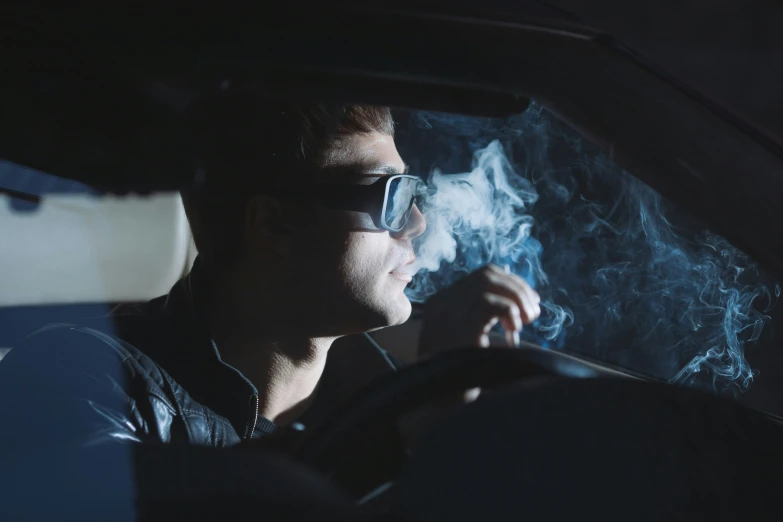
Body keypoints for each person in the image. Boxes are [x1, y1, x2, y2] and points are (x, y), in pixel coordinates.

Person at [0, 91, 540, 450]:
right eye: (391, 195)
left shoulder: (392, 411)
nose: (417, 223)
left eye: (415, 193)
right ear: (274, 224)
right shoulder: (86, 379)